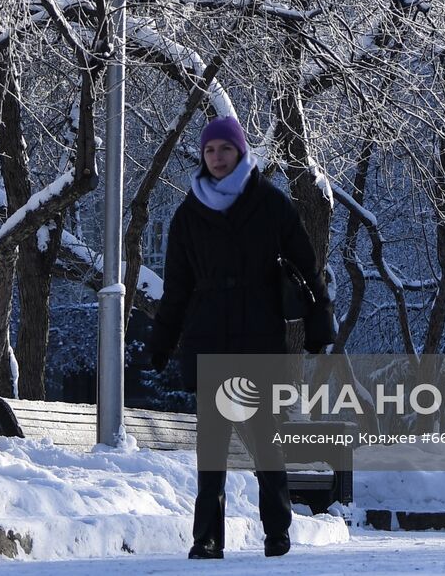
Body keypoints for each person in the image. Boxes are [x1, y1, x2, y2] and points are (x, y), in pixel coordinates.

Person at [145, 116, 336, 560]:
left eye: (224, 149)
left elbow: (306, 268)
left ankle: (277, 529)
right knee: (211, 444)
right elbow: (176, 288)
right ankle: (206, 538)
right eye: (210, 150)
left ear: (240, 152)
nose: (216, 157)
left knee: (262, 436)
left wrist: (319, 322)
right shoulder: (189, 213)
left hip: (258, 336)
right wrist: (161, 341)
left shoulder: (270, 204)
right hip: (208, 337)